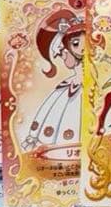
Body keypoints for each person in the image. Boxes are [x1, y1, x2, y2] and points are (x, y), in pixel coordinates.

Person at [22, 8, 85, 151]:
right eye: (76, 43)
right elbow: (70, 63)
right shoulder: (71, 60)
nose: (82, 48)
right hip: (75, 85)